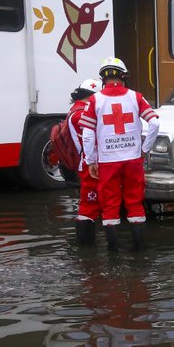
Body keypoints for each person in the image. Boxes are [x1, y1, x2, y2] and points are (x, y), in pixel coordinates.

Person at [80, 58, 160, 251]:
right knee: (135, 203)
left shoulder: (94, 100)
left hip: (107, 161)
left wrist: (90, 160)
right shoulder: (136, 97)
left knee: (109, 205)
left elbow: (88, 135)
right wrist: (144, 149)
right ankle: (140, 250)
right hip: (133, 159)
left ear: (102, 78)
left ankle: (113, 253)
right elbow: (155, 123)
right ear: (124, 76)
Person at [67, 77, 102, 245]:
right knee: (89, 205)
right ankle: (86, 248)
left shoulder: (76, 110)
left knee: (91, 204)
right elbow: (91, 139)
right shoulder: (81, 114)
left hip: (87, 162)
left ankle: (87, 249)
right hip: (90, 164)